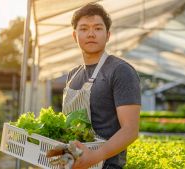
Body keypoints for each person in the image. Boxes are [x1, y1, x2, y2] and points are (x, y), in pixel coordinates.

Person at [57, 3, 141, 169]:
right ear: (74, 36)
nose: (91, 34)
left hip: (107, 165)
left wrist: (94, 157)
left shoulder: (120, 71)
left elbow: (130, 130)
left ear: (108, 35)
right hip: (73, 163)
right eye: (84, 29)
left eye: (97, 28)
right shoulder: (73, 75)